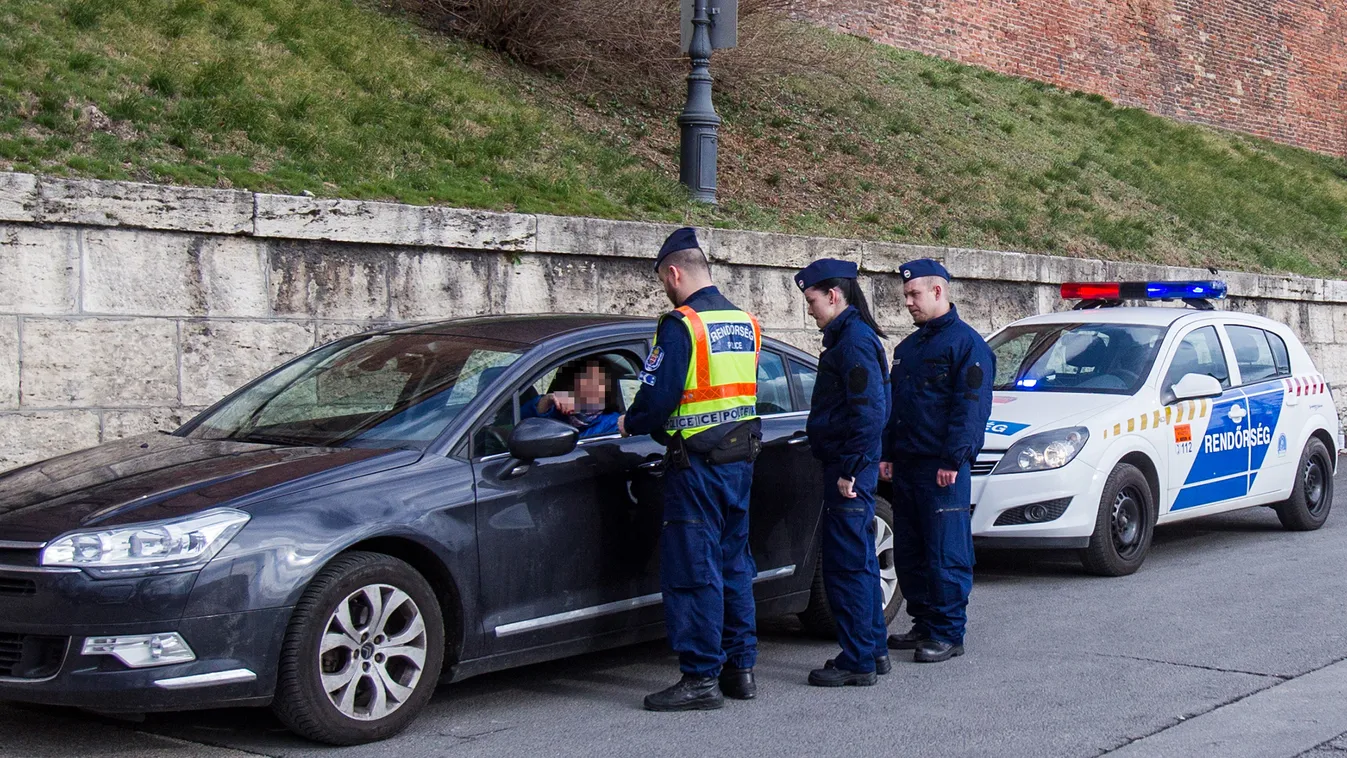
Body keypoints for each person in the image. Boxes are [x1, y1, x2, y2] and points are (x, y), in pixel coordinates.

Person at [619, 227, 763, 711]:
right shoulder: (745, 322)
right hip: (739, 462)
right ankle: (740, 670)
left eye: (663, 279)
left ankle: (701, 677)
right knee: (734, 565)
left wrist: (628, 421)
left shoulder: (682, 324)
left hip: (697, 467)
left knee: (693, 570)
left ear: (674, 273)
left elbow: (656, 401)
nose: (664, 287)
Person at [881, 259, 994, 663]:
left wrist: (954, 458)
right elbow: (896, 408)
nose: (908, 302)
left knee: (946, 550)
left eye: (914, 294)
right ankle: (925, 622)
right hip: (909, 464)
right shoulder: (909, 348)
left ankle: (948, 632)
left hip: (941, 468)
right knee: (912, 550)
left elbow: (970, 407)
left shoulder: (966, 345)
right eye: (906, 295)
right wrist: (887, 453)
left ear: (938, 292)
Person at [793, 259, 893, 687]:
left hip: (848, 470)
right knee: (860, 561)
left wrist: (850, 468)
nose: (810, 310)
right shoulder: (851, 337)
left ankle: (858, 660)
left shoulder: (851, 342)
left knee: (847, 565)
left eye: (812, 301)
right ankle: (873, 650)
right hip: (851, 466)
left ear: (834, 296)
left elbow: (870, 413)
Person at [522, 358, 622, 438]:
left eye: (599, 382)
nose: (592, 387)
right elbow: (520, 422)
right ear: (574, 384)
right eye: (586, 379)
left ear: (607, 389)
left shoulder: (613, 423)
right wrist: (548, 400)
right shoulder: (556, 411)